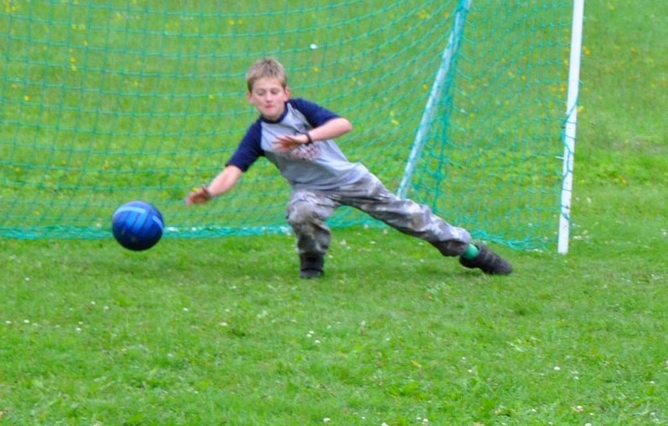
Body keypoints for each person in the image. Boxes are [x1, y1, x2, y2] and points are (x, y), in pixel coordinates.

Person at [185, 56, 513, 280]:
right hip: (311, 190)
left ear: (286, 93)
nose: (268, 98)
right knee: (300, 213)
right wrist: (210, 191)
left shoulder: (300, 110)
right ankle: (312, 259)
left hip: (350, 179)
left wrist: (304, 137)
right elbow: (233, 170)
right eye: (261, 93)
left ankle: (471, 251)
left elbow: (343, 124)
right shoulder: (259, 134)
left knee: (408, 217)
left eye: (274, 92)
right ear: (250, 98)